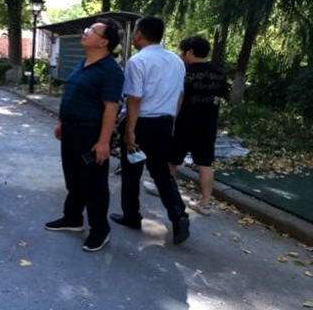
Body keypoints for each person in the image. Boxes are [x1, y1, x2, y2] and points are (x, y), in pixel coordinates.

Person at [44, 18, 124, 252]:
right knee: (74, 178)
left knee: (94, 183)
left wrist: (103, 142)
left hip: (90, 132)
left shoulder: (110, 70)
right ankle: (73, 218)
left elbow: (111, 108)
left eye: (92, 31)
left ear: (104, 42)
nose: (86, 32)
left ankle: (100, 230)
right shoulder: (84, 62)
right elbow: (73, 93)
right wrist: (62, 121)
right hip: (71, 129)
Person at [110, 16, 190, 245]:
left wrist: (130, 131)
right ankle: (178, 214)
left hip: (141, 122)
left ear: (140, 34)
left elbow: (134, 98)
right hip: (164, 123)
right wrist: (171, 122)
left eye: (135, 32)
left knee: (131, 171)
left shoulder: (138, 61)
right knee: (161, 172)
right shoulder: (176, 61)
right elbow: (180, 95)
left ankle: (131, 215)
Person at [168, 36, 228, 216]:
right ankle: (205, 203)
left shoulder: (184, 72)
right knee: (205, 163)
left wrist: (172, 120)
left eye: (182, 51)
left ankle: (167, 192)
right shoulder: (219, 73)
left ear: (190, 52)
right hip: (208, 123)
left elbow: (179, 98)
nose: (181, 55)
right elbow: (222, 97)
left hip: (184, 122)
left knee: (172, 159)